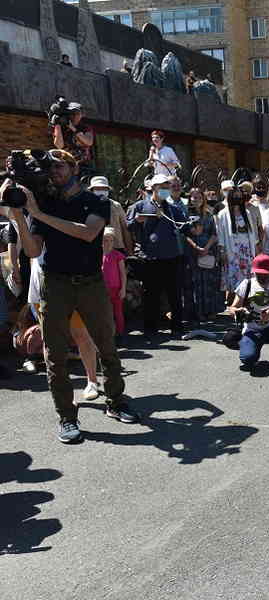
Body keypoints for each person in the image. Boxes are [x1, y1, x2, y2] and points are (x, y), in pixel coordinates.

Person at [3, 149, 135, 443]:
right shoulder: (45, 203)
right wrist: (20, 216)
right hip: (55, 284)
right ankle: (66, 417)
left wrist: (39, 214)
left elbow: (88, 233)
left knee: (107, 346)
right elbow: (34, 251)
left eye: (60, 165)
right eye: (50, 168)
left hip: (91, 283)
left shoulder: (95, 201)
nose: (54, 171)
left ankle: (116, 401)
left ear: (74, 168)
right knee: (56, 356)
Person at [128, 173, 189, 337]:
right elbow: (128, 226)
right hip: (150, 257)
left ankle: (177, 326)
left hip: (172, 256)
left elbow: (184, 226)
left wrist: (191, 226)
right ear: (153, 188)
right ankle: (150, 327)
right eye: (162, 187)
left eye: (167, 187)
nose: (165, 190)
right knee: (151, 294)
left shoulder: (172, 208)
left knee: (174, 293)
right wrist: (137, 221)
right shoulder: (140, 206)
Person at [228, 254, 269, 373]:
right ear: (254, 272)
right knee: (247, 359)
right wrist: (237, 312)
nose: (262, 277)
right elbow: (232, 308)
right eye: (259, 274)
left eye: (266, 274)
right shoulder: (246, 284)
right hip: (252, 330)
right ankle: (248, 346)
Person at [216, 180, 260, 304]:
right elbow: (220, 235)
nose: (237, 201)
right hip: (232, 252)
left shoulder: (247, 213)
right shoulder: (223, 214)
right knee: (233, 279)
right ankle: (233, 304)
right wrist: (222, 251)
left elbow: (252, 233)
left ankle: (245, 302)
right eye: (235, 198)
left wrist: (256, 250)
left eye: (239, 198)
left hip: (247, 252)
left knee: (248, 279)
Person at [183, 187, 222, 323]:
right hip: (193, 252)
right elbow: (185, 235)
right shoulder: (185, 214)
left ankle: (210, 310)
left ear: (203, 199)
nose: (196, 200)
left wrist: (206, 247)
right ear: (190, 199)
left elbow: (214, 234)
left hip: (208, 250)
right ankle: (198, 312)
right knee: (196, 283)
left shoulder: (208, 214)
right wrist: (196, 247)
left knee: (209, 282)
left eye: (199, 197)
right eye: (193, 197)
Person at [87, 176, 132, 255]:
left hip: (116, 247)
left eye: (104, 189)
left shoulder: (116, 205)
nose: (101, 191)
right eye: (97, 189)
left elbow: (125, 228)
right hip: (93, 248)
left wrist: (129, 251)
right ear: (92, 190)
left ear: (108, 190)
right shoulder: (86, 205)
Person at [101, 227, 126, 336]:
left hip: (116, 288)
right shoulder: (97, 255)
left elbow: (122, 273)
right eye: (106, 240)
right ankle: (107, 334)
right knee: (105, 313)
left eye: (111, 240)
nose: (109, 243)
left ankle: (120, 333)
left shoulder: (117, 255)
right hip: (102, 289)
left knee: (118, 312)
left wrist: (123, 288)